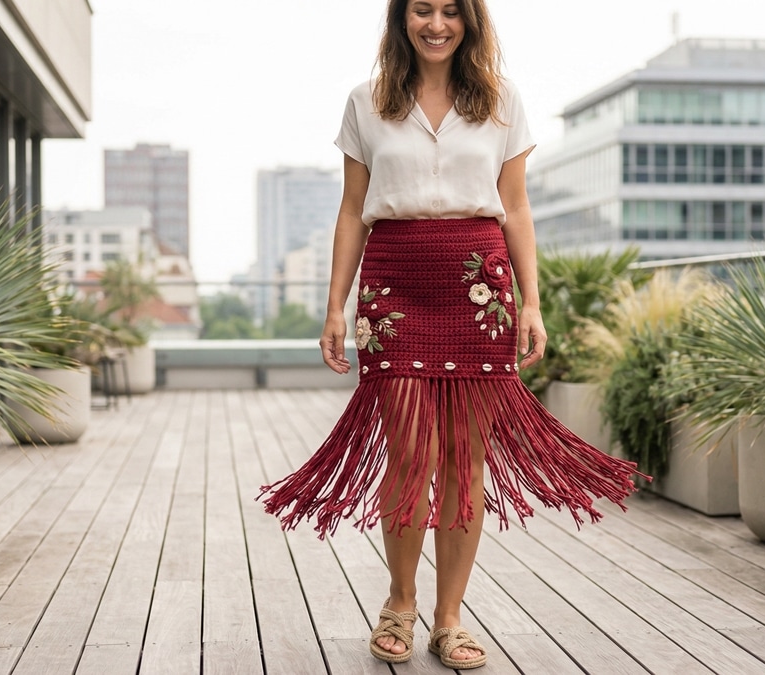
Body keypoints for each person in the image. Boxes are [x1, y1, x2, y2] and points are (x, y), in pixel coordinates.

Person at [258, 0, 643, 669]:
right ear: (401, 19)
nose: (436, 24)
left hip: (478, 286)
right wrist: (334, 306)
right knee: (410, 454)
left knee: (464, 461)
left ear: (470, 20)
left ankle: (449, 618)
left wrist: (532, 303)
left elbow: (517, 208)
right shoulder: (366, 100)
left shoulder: (501, 100)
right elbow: (352, 209)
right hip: (393, 286)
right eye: (422, 10)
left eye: (449, 11)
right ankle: (399, 604)